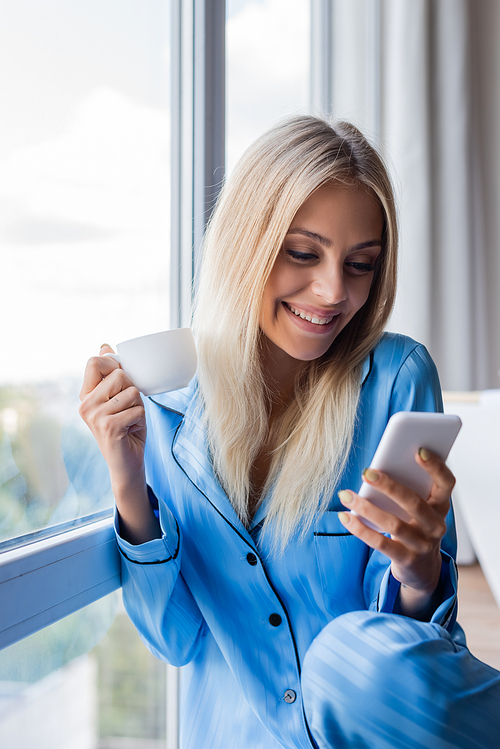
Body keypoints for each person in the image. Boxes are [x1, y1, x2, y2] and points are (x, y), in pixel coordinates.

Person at [79, 116, 500, 749]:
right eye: (303, 253)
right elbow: (176, 639)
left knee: (345, 661)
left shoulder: (395, 380)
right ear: (246, 243)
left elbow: (401, 663)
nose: (334, 292)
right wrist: (128, 480)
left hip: (366, 731)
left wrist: (418, 577)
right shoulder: (166, 409)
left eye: (361, 265)